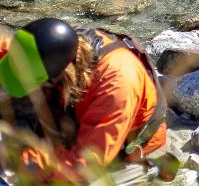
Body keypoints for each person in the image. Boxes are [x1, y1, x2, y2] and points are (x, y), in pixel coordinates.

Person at [0, 18, 169, 184]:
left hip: (122, 151)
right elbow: (6, 48)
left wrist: (20, 161)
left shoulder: (116, 83)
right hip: (77, 111)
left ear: (56, 76)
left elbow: (84, 163)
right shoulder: (49, 47)